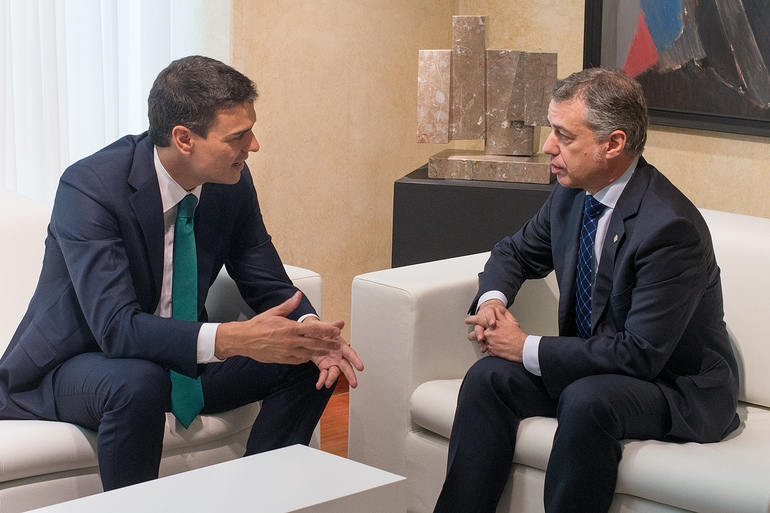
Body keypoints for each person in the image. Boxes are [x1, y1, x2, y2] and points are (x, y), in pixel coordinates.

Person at [0, 55, 363, 491]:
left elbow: (265, 277)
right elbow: (115, 328)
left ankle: (260, 498)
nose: (254, 145)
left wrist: (310, 332)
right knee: (139, 382)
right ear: (184, 138)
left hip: (178, 359)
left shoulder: (232, 181)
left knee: (305, 359)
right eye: (238, 136)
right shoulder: (91, 187)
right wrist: (231, 338)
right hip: (78, 363)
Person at [432, 67, 739, 513]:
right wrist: (493, 302)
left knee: (586, 399)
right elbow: (514, 253)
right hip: (599, 365)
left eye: (563, 135)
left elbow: (640, 354)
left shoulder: (669, 228)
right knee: (487, 378)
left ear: (613, 144)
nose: (548, 147)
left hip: (673, 385)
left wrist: (525, 347)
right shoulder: (573, 194)